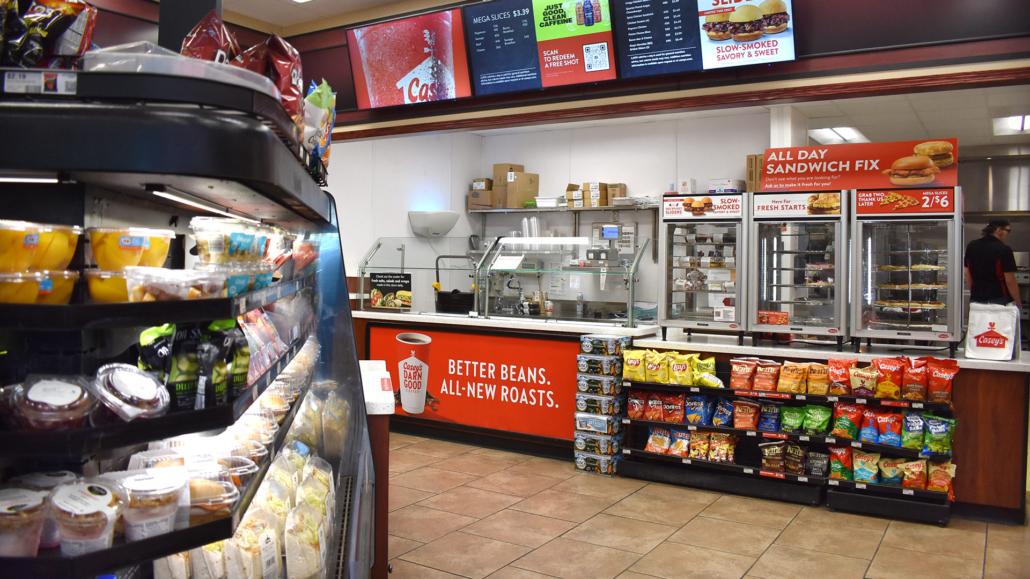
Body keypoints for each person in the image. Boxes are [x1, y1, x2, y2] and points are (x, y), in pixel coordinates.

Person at [964, 219, 1022, 308]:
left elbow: (967, 273)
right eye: (1008, 231)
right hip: (998, 299)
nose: (1008, 234)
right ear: (999, 230)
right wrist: (1018, 304)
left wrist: (975, 292)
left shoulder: (972, 246)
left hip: (976, 299)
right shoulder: (1004, 249)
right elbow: (1010, 281)